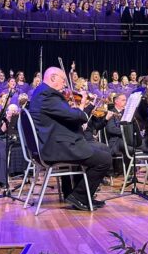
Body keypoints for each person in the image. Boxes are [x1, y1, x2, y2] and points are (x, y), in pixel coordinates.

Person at [28, 67, 112, 211]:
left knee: (100, 148)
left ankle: (77, 195)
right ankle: (80, 197)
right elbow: (76, 116)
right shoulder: (48, 95)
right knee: (104, 159)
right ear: (53, 78)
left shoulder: (41, 93)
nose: (65, 85)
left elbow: (62, 116)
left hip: (52, 143)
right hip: (55, 147)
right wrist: (81, 105)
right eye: (63, 80)